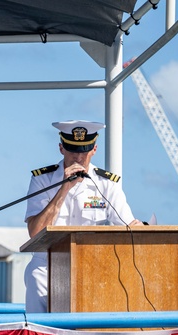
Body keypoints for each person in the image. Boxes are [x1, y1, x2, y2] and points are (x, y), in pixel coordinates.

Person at [23, 120, 142, 313]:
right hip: (46, 267)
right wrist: (64, 188)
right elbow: (35, 232)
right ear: (61, 148)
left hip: (92, 268)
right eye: (72, 150)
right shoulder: (42, 180)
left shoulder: (107, 184)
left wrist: (140, 228)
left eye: (84, 151)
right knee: (40, 331)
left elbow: (129, 226)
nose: (78, 157)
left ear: (94, 149)